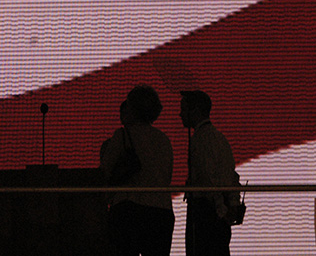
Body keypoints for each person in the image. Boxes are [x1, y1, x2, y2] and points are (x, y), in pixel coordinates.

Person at [100, 85, 175, 256]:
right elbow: (166, 176)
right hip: (162, 212)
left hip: (129, 210)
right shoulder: (164, 140)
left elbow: (105, 171)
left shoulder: (123, 135)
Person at [180, 90, 241, 256]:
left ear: (196, 111)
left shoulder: (201, 139)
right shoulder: (219, 138)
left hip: (206, 211)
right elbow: (231, 176)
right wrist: (232, 205)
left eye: (184, 109)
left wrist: (219, 209)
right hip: (218, 211)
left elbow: (207, 179)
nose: (180, 114)